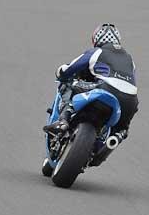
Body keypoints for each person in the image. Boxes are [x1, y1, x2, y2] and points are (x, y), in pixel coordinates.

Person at [43, 24, 138, 164]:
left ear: (96, 39)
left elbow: (70, 69)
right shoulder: (130, 60)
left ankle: (63, 121)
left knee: (68, 85)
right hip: (130, 100)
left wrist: (60, 73)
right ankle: (112, 141)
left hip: (105, 88)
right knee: (122, 128)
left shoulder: (97, 52)